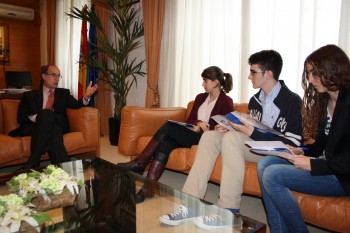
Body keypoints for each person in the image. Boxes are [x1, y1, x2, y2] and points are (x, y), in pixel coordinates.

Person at [160, 50, 303, 229]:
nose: (249, 76)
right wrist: (230, 126)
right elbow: (253, 131)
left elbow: (294, 144)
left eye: (253, 72)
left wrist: (250, 132)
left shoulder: (291, 101)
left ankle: (228, 210)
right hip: (253, 146)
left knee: (233, 139)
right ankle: (191, 204)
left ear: (268, 74)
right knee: (210, 136)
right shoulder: (255, 100)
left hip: (275, 154)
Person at [257, 44, 350, 233]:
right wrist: (302, 151)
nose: (310, 79)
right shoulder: (327, 100)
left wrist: (313, 165)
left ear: (332, 68)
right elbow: (323, 145)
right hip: (328, 165)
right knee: (265, 163)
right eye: (308, 74)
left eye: (314, 73)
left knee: (273, 176)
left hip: (342, 176)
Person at [119, 66, 234, 203]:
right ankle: (148, 189)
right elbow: (189, 119)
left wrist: (208, 127)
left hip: (206, 140)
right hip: (193, 134)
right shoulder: (200, 97)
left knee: (168, 127)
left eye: (205, 81)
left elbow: (226, 125)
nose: (202, 84)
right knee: (165, 145)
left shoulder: (226, 101)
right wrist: (198, 123)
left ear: (215, 82)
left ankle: (140, 162)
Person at [12, 64, 98, 168]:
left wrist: (86, 96)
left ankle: (33, 160)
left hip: (59, 122)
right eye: (53, 75)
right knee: (53, 128)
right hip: (36, 127)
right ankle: (65, 167)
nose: (57, 79)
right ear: (43, 76)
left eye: (58, 76)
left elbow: (76, 105)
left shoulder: (64, 93)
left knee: (47, 114)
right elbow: (21, 117)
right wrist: (40, 117)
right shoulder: (29, 96)